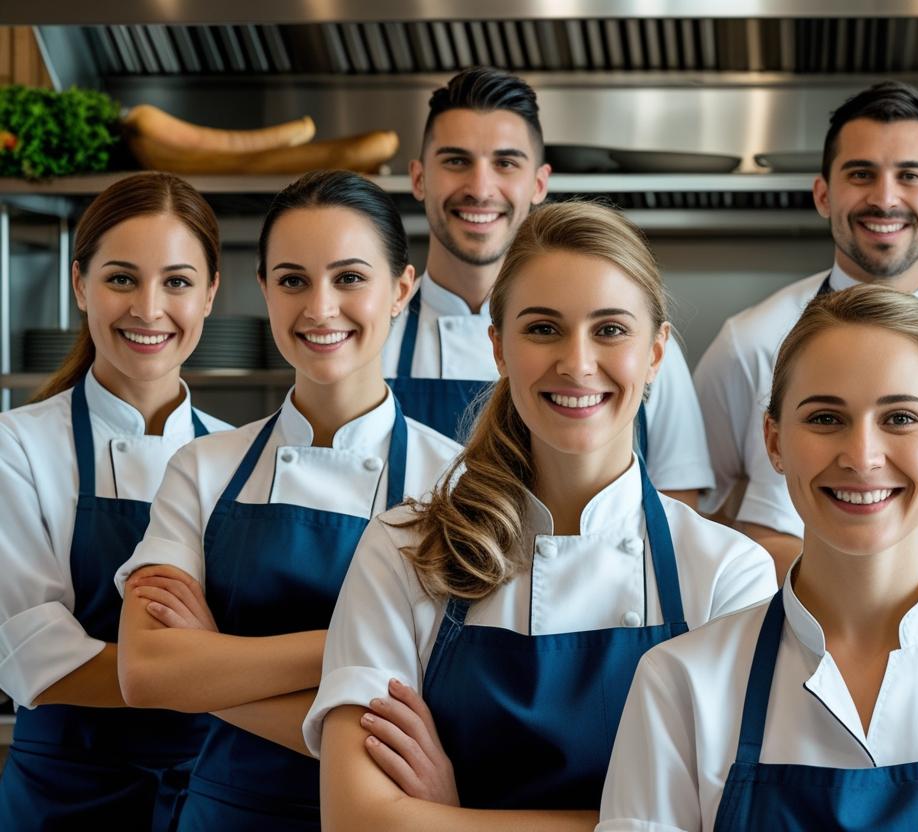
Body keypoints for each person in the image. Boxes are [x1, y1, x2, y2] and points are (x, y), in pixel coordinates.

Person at [309, 201, 776, 831]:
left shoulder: (728, 574)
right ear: (498, 348)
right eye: (543, 329)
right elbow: (355, 817)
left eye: (610, 330)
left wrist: (450, 816)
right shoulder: (404, 549)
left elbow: (736, 821)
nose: (577, 363)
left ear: (657, 352)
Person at [599, 284, 918, 832]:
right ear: (774, 440)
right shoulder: (680, 684)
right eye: (825, 418)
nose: (862, 457)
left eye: (900, 419)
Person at [113, 170, 462, 832]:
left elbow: (452, 692)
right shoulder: (203, 467)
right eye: (294, 280)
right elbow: (148, 673)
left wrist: (212, 668)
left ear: (402, 290)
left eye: (350, 278)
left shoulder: (457, 483)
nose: (319, 308)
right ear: (265, 291)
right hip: (224, 815)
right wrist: (367, 649)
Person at [695, 80, 918, 575]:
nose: (884, 199)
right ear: (823, 193)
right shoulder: (751, 343)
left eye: (909, 175)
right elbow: (696, 513)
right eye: (861, 174)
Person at [0, 173, 229, 831]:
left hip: (213, 800)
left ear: (212, 293)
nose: (149, 310)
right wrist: (219, 672)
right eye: (122, 279)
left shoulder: (237, 458)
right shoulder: (17, 448)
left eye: (178, 282)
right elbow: (37, 661)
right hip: (63, 802)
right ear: (80, 285)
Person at [384, 67, 712, 508]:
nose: (480, 188)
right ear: (419, 178)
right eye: (457, 161)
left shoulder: (635, 342)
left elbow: (677, 508)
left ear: (539, 182)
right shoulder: (372, 338)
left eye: (505, 163)